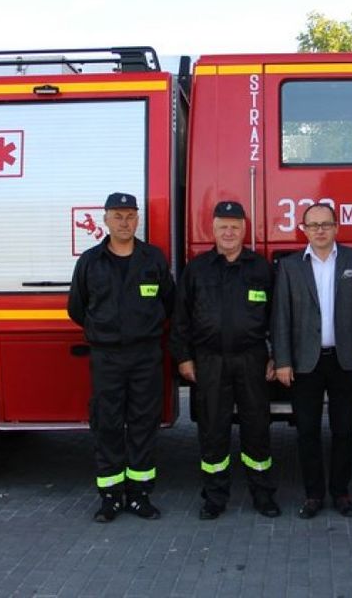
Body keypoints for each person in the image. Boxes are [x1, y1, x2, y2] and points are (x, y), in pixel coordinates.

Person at [169, 200, 280, 520]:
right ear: (213, 230)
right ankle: (214, 497)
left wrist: (276, 355)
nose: (229, 232)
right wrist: (184, 358)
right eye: (222, 227)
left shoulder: (260, 268)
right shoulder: (197, 269)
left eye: (235, 226)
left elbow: (276, 317)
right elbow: (181, 319)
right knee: (213, 430)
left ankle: (263, 494)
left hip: (252, 361)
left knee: (257, 428)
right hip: (209, 362)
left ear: (244, 229)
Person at [68, 192, 175, 523]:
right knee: (108, 424)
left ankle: (140, 496)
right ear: (105, 220)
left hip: (145, 356)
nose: (124, 222)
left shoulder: (153, 259)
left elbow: (169, 303)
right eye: (118, 216)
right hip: (107, 357)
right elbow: (77, 307)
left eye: (130, 216)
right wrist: (104, 330)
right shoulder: (90, 261)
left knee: (144, 424)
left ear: (138, 220)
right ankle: (110, 497)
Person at [271, 202, 352, 519]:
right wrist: (282, 360)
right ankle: (314, 494)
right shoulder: (290, 267)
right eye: (313, 225)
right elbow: (281, 318)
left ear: (336, 227)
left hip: (345, 361)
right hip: (305, 363)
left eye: (325, 224)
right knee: (307, 432)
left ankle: (341, 492)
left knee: (344, 430)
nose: (319, 230)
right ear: (303, 229)